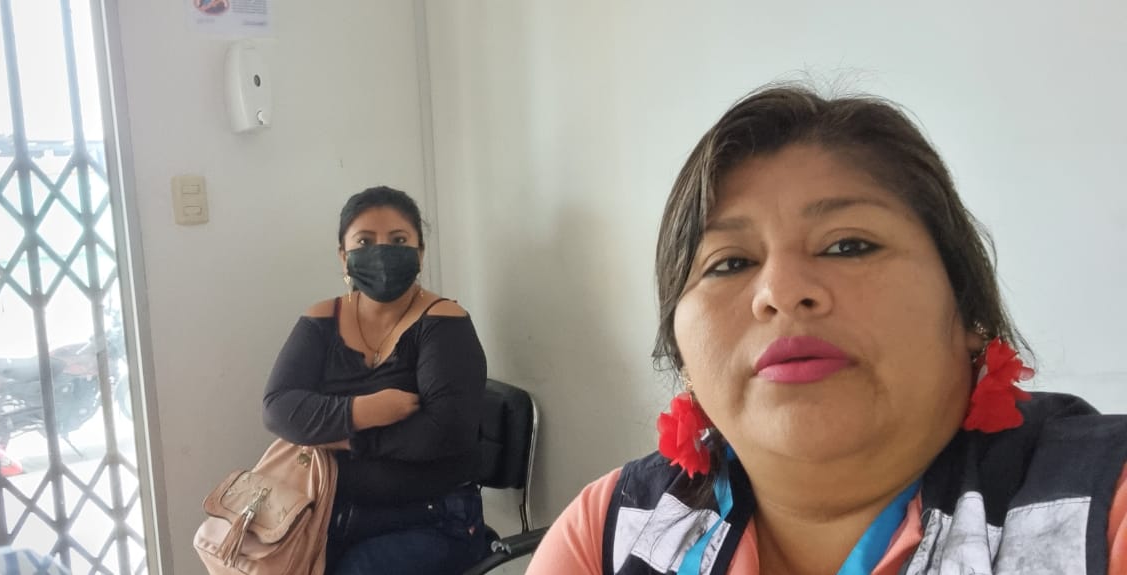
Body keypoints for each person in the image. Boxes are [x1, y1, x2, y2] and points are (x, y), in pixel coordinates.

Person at [529, 85, 1127, 574]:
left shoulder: (1102, 512)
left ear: (968, 305)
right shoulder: (611, 533)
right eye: (730, 263)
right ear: (682, 354)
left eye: (848, 245)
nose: (781, 291)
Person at [262, 186, 489, 574]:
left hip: (434, 517)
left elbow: (445, 431)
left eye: (398, 241)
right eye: (365, 241)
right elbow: (279, 408)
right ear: (343, 256)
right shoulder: (321, 319)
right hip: (330, 512)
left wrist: (348, 438)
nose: (382, 252)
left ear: (419, 253)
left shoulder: (444, 321)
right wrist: (366, 410)